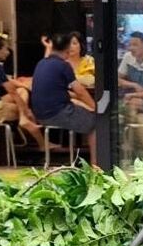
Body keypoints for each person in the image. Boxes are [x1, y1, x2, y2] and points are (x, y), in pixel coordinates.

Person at [30, 33, 97, 164]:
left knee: (83, 111)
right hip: (58, 113)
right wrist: (96, 107)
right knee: (97, 122)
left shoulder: (41, 63)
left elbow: (57, 90)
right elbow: (80, 91)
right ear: (67, 49)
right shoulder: (63, 66)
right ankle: (96, 165)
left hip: (40, 115)